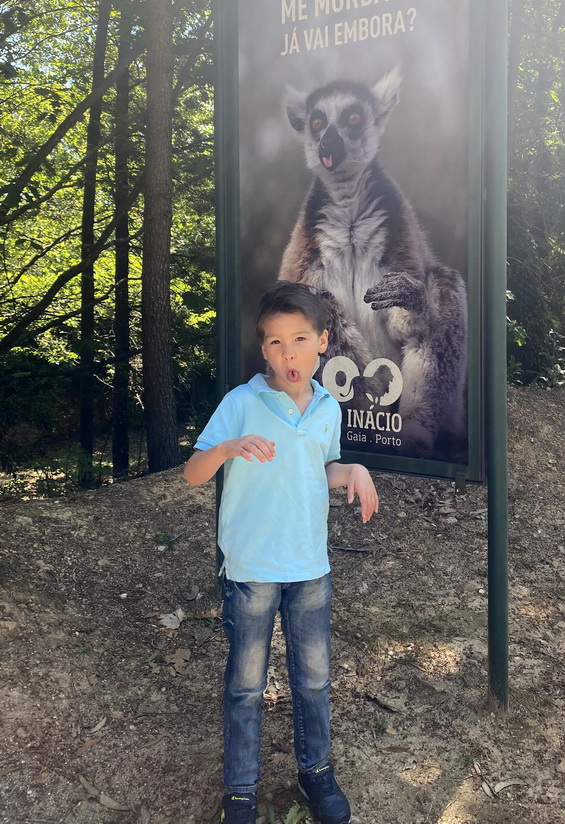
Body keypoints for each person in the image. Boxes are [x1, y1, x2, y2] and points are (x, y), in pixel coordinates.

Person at [184, 282, 379, 824]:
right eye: (274, 343)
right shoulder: (242, 402)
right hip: (250, 570)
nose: (287, 353)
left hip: (310, 567)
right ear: (263, 349)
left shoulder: (326, 407)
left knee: (313, 680)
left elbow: (323, 469)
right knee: (246, 686)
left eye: (298, 339)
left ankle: (315, 771)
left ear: (322, 343)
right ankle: (241, 790)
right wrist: (225, 449)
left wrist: (355, 471)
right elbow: (192, 474)